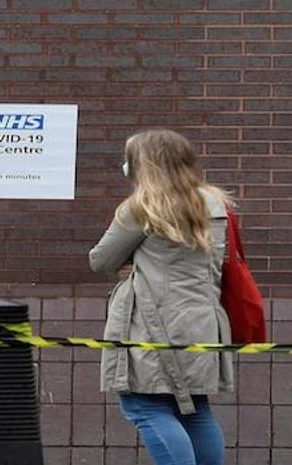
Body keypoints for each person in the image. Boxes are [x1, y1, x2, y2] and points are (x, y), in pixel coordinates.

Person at [88, 129, 234, 465]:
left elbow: (101, 260)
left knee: (144, 405)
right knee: (194, 409)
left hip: (152, 324)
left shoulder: (142, 208)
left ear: (146, 165)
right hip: (202, 321)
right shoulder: (214, 205)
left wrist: (135, 256)